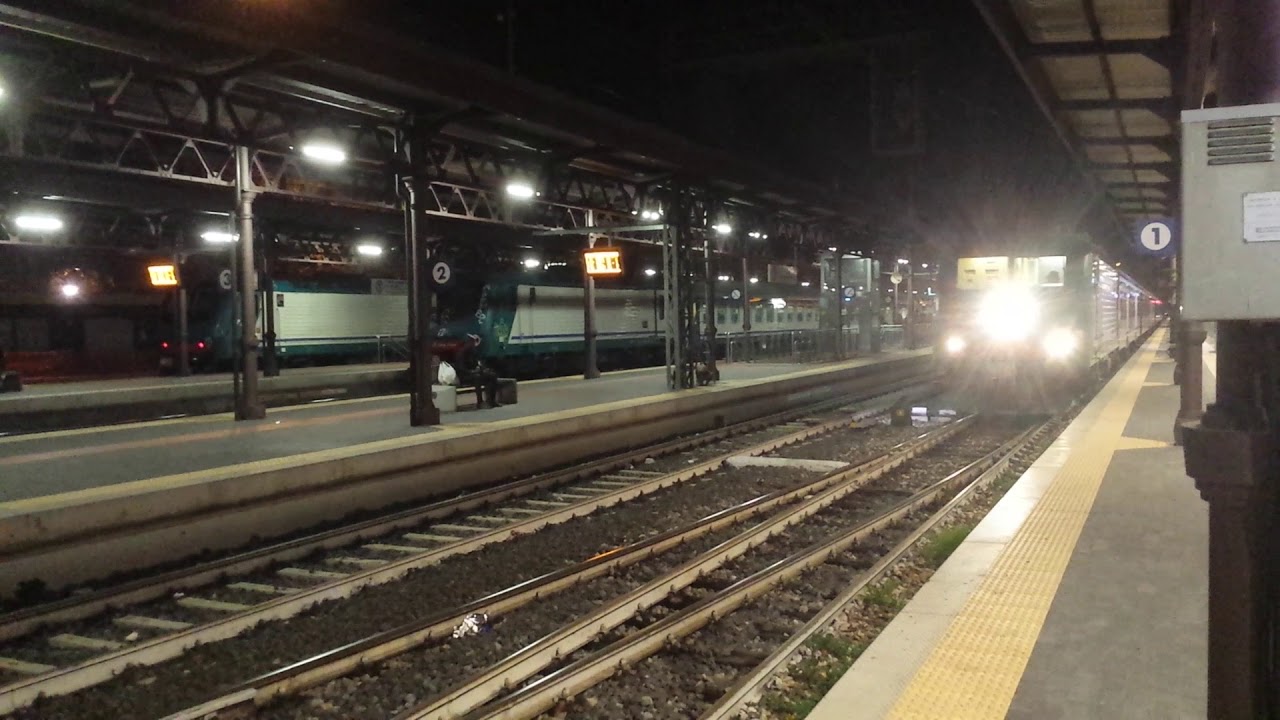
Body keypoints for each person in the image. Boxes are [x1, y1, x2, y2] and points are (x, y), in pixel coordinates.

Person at [457, 335, 500, 408]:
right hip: (466, 375)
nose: (474, 344)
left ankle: (491, 401)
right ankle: (480, 402)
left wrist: (483, 369)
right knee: (477, 378)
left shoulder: (473, 351)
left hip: (475, 372)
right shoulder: (461, 353)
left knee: (492, 376)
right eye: (472, 342)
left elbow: (479, 363)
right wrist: (472, 371)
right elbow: (461, 369)